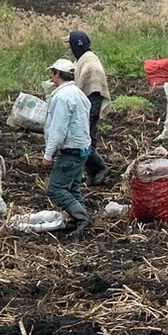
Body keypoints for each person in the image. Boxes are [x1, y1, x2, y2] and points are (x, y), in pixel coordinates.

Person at [43, 59, 92, 235]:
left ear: (57, 74)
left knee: (55, 189)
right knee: (72, 188)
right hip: (83, 148)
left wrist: (48, 155)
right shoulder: (78, 93)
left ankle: (82, 218)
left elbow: (58, 129)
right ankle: (79, 219)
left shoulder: (62, 97)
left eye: (52, 73)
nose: (50, 77)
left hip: (71, 150)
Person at [67, 31, 111, 185]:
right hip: (88, 104)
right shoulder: (83, 59)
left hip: (91, 105)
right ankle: (92, 174)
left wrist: (90, 112)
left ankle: (101, 168)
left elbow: (94, 87)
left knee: (84, 140)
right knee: (87, 139)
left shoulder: (90, 62)